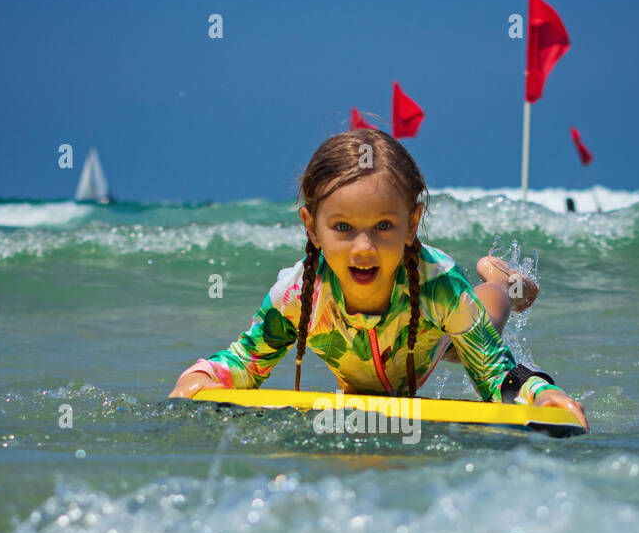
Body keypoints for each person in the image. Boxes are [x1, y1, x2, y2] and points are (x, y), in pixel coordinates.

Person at [168, 129, 587, 427]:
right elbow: (245, 362)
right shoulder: (298, 295)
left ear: (412, 224)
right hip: (387, 356)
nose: (363, 247)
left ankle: (499, 278)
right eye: (343, 228)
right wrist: (202, 377)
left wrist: (541, 394)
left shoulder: (440, 288)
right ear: (311, 227)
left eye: (384, 226)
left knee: (482, 317)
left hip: (434, 329)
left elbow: (497, 374)